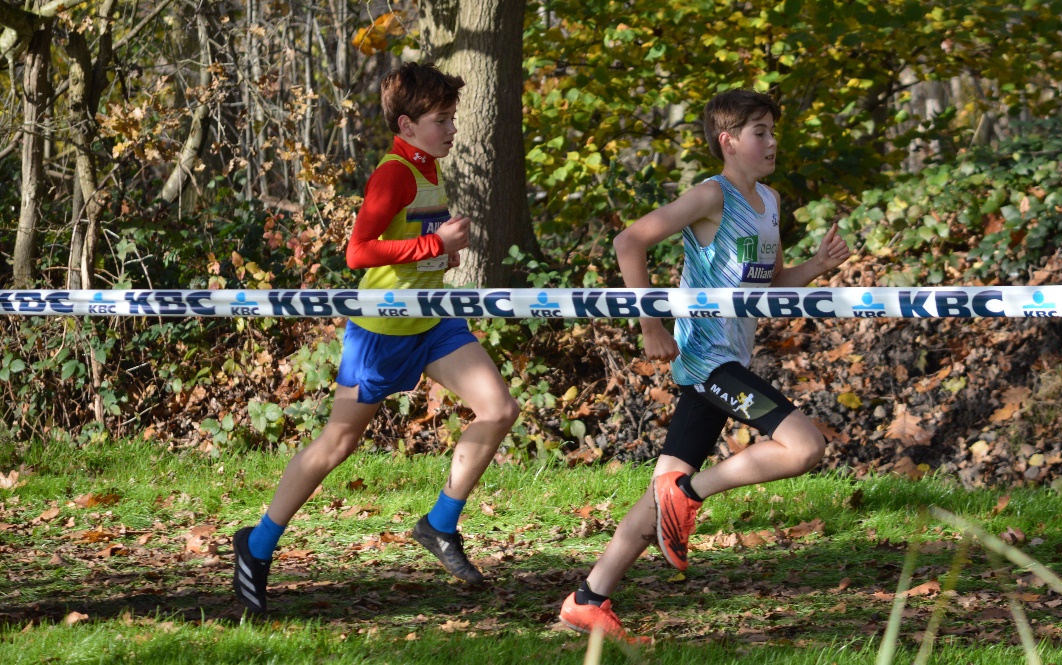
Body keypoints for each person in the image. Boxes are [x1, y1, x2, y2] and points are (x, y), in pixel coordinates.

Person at [559, 89, 850, 643]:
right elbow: (629, 241)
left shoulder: (770, 201)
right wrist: (650, 324)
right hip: (705, 359)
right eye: (759, 132)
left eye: (772, 130)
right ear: (729, 141)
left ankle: (588, 598)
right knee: (805, 446)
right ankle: (691, 493)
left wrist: (816, 265)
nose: (771, 142)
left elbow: (769, 283)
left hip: (731, 358)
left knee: (661, 489)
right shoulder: (709, 195)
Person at [232, 62, 520, 614]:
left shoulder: (429, 166)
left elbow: (413, 238)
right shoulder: (395, 173)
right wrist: (434, 249)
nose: (452, 129)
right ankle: (258, 544)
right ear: (407, 125)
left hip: (432, 321)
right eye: (441, 120)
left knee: (498, 408)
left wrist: (439, 248)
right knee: (338, 443)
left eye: (452, 118)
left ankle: (440, 525)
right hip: (383, 328)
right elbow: (358, 253)